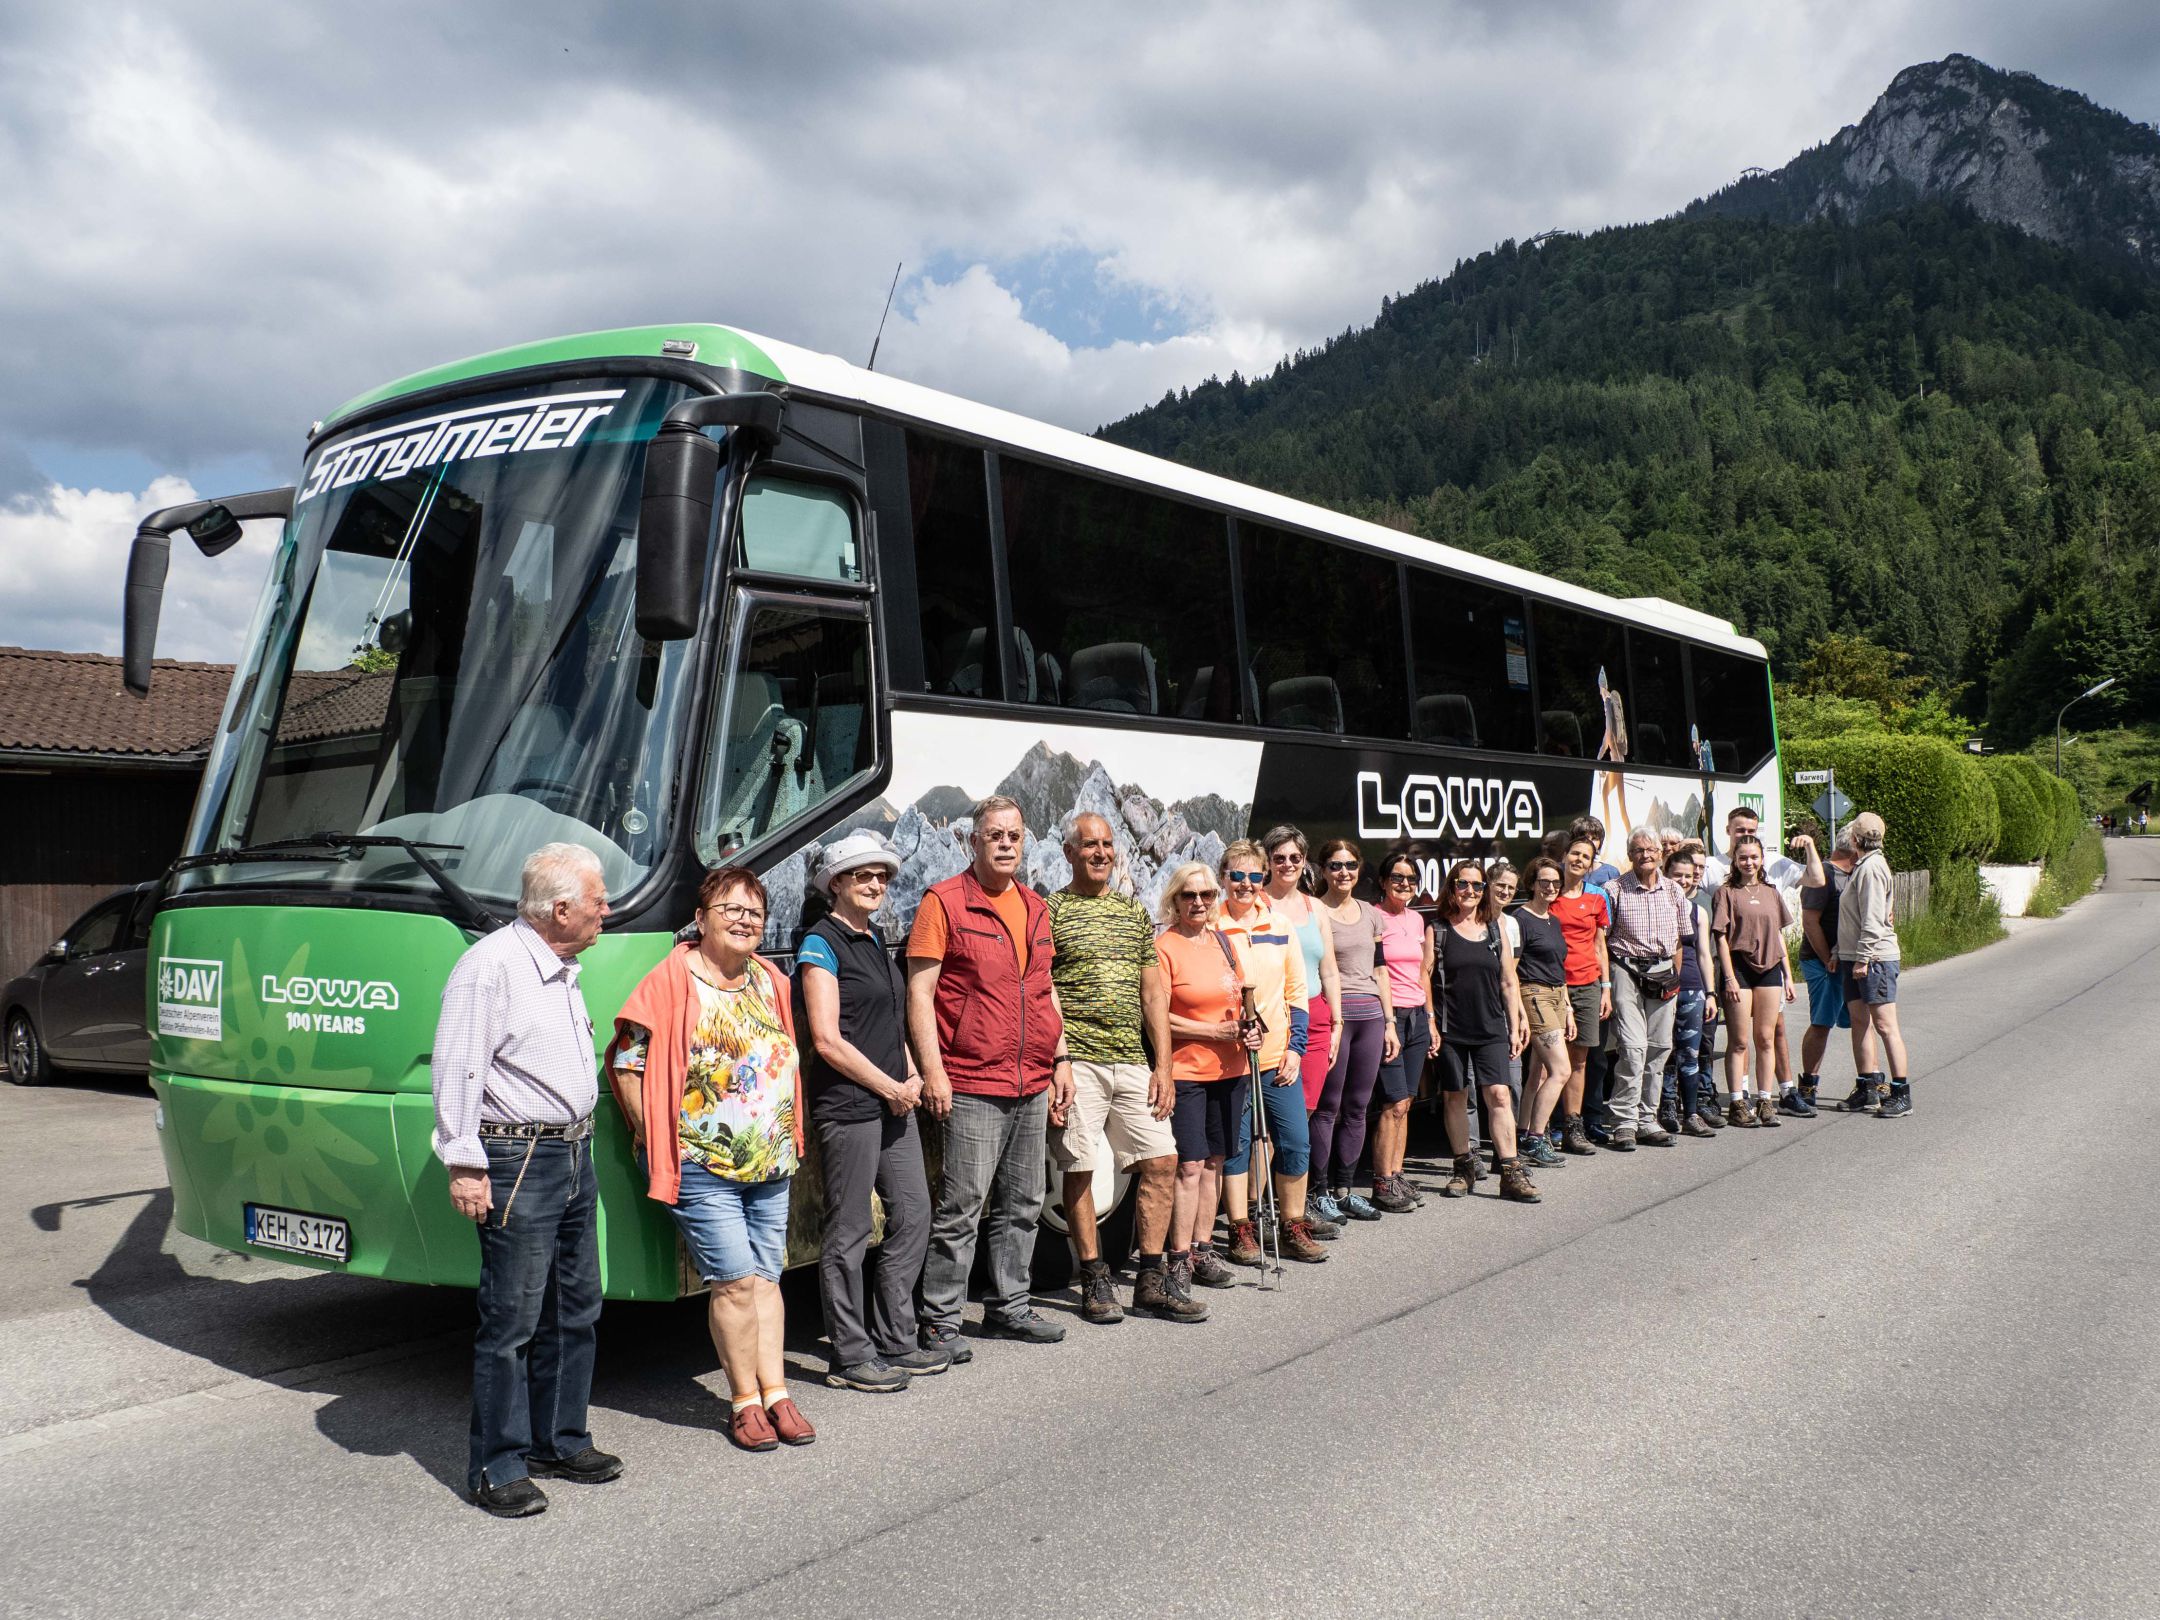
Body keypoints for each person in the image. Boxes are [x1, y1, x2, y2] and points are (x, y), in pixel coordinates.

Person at [434, 842, 620, 1517]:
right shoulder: (490, 967)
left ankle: (559, 1440)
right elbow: (458, 1069)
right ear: (560, 908)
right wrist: (464, 1164)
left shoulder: (560, 966)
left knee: (577, 1307)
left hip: (572, 1155)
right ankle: (496, 1465)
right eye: (598, 899)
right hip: (516, 1160)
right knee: (511, 1319)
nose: (608, 909)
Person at [610, 865, 813, 1452]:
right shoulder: (673, 978)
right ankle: (744, 1402)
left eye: (755, 912)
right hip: (702, 1163)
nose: (745, 920)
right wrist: (654, 1137)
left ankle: (776, 1393)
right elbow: (628, 1062)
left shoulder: (771, 979)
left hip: (771, 1159)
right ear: (701, 920)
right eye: (731, 909)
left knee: (769, 1280)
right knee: (733, 1282)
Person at [909, 796, 1076, 1356]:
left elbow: (1045, 989)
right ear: (973, 841)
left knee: (1025, 1201)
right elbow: (921, 993)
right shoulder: (945, 902)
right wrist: (933, 1072)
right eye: (995, 835)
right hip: (972, 1078)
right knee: (963, 1207)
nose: (1006, 843)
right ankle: (939, 1320)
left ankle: (1008, 1307)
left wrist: (1061, 1060)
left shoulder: (1035, 906)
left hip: (1030, 1078)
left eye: (1014, 835)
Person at [794, 833, 948, 1394]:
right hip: (851, 1106)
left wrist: (910, 1072)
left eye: (882, 875)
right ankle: (850, 1355)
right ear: (835, 883)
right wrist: (891, 1087)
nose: (876, 883)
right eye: (863, 875)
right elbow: (827, 1040)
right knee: (850, 1230)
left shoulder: (876, 937)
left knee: (913, 1214)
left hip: (891, 1099)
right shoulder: (820, 943)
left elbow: (890, 1022)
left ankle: (895, 1338)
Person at [1044, 813, 1198, 1324]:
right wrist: (1058, 1059)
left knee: (1162, 1161)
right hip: (1079, 1061)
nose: (1101, 853)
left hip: (1133, 1060)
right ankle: (1093, 1275)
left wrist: (1164, 1066)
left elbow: (1153, 992)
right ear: (1070, 852)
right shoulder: (1051, 910)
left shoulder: (1132, 914)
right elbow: (1044, 990)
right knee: (1080, 1165)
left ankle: (1151, 1279)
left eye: (1108, 845)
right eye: (1090, 845)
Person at [1217, 840, 1325, 1264]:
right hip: (1232, 1060)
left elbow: (1298, 991)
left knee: (1296, 1142)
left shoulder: (1280, 925)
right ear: (1223, 877)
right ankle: (1240, 1229)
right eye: (1236, 876)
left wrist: (1296, 1049)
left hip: (1279, 1057)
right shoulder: (1213, 925)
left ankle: (1292, 1223)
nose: (1245, 884)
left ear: (1263, 879)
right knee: (1238, 1146)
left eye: (1253, 876)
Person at [1157, 860, 1254, 1300]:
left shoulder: (1223, 943)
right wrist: (1211, 1032)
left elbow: (1239, 1000)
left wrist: (1252, 1027)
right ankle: (1176, 1259)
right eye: (1189, 895)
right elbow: (1155, 1015)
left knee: (1215, 1161)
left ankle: (1200, 1249)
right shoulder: (1165, 947)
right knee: (1189, 1165)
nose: (1199, 903)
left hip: (1230, 1069)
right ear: (1174, 900)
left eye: (1207, 895)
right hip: (1187, 1070)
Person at [1433, 860, 1536, 1201]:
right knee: (1456, 1097)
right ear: (1452, 887)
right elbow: (1423, 978)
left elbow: (1508, 979)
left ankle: (1510, 1170)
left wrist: (1517, 1018)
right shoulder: (1438, 930)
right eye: (1463, 884)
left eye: (1477, 886)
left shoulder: (1494, 928)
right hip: (1452, 1027)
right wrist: (1430, 1022)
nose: (1471, 892)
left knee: (1499, 1095)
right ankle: (1463, 1168)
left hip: (1491, 1025)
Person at [1310, 839, 1397, 1221]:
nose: (1343, 872)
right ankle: (1319, 1191)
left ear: (1359, 868)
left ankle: (1345, 1190)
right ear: (1323, 870)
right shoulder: (1315, 911)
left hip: (1371, 1017)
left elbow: (1380, 970)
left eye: (1349, 864)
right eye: (1334, 865)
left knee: (1359, 1107)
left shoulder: (1371, 914)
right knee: (1327, 1108)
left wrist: (1390, 1022)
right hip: (1334, 1017)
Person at [1264, 826, 1344, 1233]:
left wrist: (1336, 1021)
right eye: (1280, 858)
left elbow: (1328, 968)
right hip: (1273, 1017)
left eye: (1295, 858)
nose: (1288, 865)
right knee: (1272, 1125)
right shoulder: (1256, 903)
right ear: (1268, 862)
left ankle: (1291, 1210)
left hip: (1313, 1017)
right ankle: (1260, 1213)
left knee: (1305, 1114)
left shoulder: (1315, 909)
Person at [1604, 827, 1692, 1149]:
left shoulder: (1673, 891)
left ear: (1660, 853)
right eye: (1638, 850)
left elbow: (1680, 942)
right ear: (1630, 855)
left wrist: (1675, 979)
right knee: (1632, 1046)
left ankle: (1647, 1119)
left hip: (1664, 971)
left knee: (1659, 1047)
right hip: (1626, 968)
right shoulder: (1614, 890)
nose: (1645, 855)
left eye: (1650, 850)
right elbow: (1603, 940)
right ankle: (1624, 1122)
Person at [1711, 834, 1797, 1128]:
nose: (1749, 862)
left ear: (1762, 859)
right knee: (1738, 1040)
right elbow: (1721, 938)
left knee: (1765, 1038)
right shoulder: (1726, 893)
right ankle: (1737, 1101)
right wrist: (1730, 978)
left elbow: (1778, 936)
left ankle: (1765, 1100)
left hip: (1770, 969)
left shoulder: (1772, 892)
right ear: (1734, 860)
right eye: (1743, 857)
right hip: (1740, 969)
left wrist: (1787, 974)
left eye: (1754, 857)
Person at [1370, 850, 1437, 1210]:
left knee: (1407, 1102)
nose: (1405, 884)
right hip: (1388, 1016)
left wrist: (1430, 1017)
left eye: (1411, 879)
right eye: (1397, 878)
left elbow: (1423, 973)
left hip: (1416, 1015)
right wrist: (1387, 1021)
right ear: (1383, 882)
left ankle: (1396, 1175)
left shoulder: (1417, 920)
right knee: (1392, 1102)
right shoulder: (1373, 917)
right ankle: (1382, 1182)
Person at [1791, 825, 1875, 1117]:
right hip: (1822, 961)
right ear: (1852, 846)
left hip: (1851, 959)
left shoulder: (1858, 873)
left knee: (1861, 1021)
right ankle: (1808, 1085)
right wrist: (1828, 958)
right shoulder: (1824, 874)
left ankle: (1869, 1082)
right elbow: (1810, 922)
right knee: (1822, 1022)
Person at [1837, 812, 1912, 1117]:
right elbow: (1855, 918)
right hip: (1854, 955)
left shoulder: (1871, 869)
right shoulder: (1865, 866)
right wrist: (1838, 949)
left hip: (1874, 957)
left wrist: (1863, 958)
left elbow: (1871, 919)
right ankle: (1867, 1088)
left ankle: (1901, 1092)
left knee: (1884, 1025)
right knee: (1860, 1022)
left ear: (1855, 839)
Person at [1510, 855, 1575, 1169]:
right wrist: (1519, 1012)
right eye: (1544, 882)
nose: (1550, 887)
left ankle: (1524, 1133)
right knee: (1561, 1070)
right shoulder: (1519, 919)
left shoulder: (1553, 919)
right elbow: (1511, 970)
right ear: (1532, 884)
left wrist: (1569, 1008)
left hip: (1557, 995)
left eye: (1555, 882)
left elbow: (1558, 965)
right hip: (1533, 995)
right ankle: (1537, 1138)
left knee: (1539, 1072)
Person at [1550, 830, 1611, 1156]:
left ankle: (1573, 1126)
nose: (1578, 860)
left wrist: (1606, 989)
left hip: (1587, 984)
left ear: (1590, 865)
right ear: (1564, 856)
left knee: (1579, 1060)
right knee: (1548, 1060)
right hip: (1551, 986)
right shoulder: (1549, 895)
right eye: (1575, 853)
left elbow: (1600, 946)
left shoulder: (1597, 898)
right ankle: (1547, 1126)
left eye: (1585, 857)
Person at [1656, 847, 1720, 1137]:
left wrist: (1711, 993)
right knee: (1664, 1052)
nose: (1683, 880)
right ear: (1666, 876)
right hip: (1662, 988)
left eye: (1688, 875)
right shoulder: (1656, 906)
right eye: (1676, 875)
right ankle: (1667, 1107)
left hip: (1693, 988)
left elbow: (1706, 954)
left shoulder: (1699, 911)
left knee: (1690, 1053)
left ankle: (1691, 1113)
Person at [1597, 665, 1632, 836]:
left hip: (1616, 764)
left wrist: (1598, 759)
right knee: (1620, 804)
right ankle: (1628, 836)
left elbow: (1608, 734)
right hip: (1619, 763)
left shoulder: (1608, 703)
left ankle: (1609, 836)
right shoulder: (1610, 702)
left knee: (1607, 797)